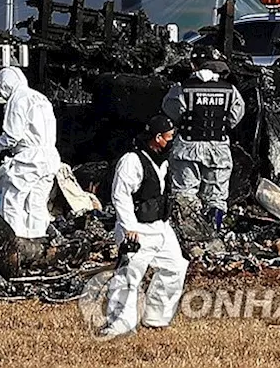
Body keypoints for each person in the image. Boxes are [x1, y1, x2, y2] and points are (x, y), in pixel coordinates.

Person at [100, 114, 188, 339]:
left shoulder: (164, 161)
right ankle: (119, 323)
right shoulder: (132, 160)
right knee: (129, 275)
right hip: (137, 228)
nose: (172, 140)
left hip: (161, 226)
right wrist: (129, 226)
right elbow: (120, 194)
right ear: (158, 138)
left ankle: (156, 317)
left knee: (176, 267)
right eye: (170, 137)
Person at [162, 48, 245, 230]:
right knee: (216, 195)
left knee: (185, 193)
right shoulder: (230, 90)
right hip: (218, 147)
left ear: (193, 65)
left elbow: (171, 111)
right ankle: (215, 229)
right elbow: (235, 116)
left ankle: (189, 233)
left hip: (187, 146)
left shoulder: (182, 88)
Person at [0, 66, 61, 239]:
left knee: (12, 200)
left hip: (30, 158)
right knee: (37, 203)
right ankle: (37, 242)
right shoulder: (40, 97)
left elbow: (12, 136)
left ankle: (12, 243)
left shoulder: (17, 99)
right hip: (49, 157)